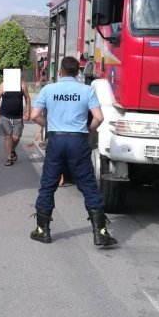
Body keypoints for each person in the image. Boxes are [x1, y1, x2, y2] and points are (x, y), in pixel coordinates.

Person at [28, 56, 116, 247]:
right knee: (88, 185)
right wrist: (88, 130)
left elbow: (34, 115)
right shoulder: (86, 90)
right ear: (77, 72)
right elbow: (99, 118)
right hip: (78, 140)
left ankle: (42, 230)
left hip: (56, 139)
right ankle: (100, 232)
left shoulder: (48, 89)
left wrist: (49, 126)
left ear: (60, 71)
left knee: (48, 184)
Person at [0, 73, 31, 166]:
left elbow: (27, 98)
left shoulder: (22, 84)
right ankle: (9, 158)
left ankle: (12, 149)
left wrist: (28, 112)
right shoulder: (3, 85)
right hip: (5, 114)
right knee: (8, 136)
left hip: (18, 115)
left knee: (17, 137)